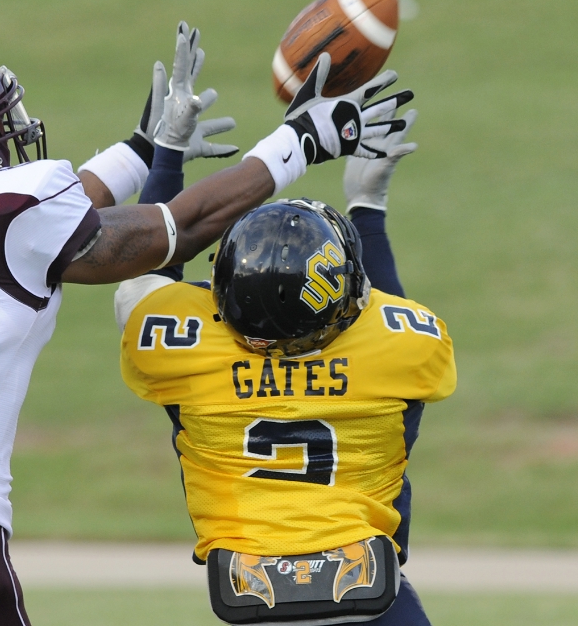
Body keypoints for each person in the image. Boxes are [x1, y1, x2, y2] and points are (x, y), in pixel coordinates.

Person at [0, 24, 413, 626]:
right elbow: (176, 230)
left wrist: (144, 150)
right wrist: (298, 142)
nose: (7, 136)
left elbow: (41, 225)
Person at [116, 102, 455, 625]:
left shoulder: (178, 344)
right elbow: (387, 314)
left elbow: (148, 263)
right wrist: (368, 208)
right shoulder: (405, 343)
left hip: (249, 590)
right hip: (367, 594)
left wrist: (167, 157)